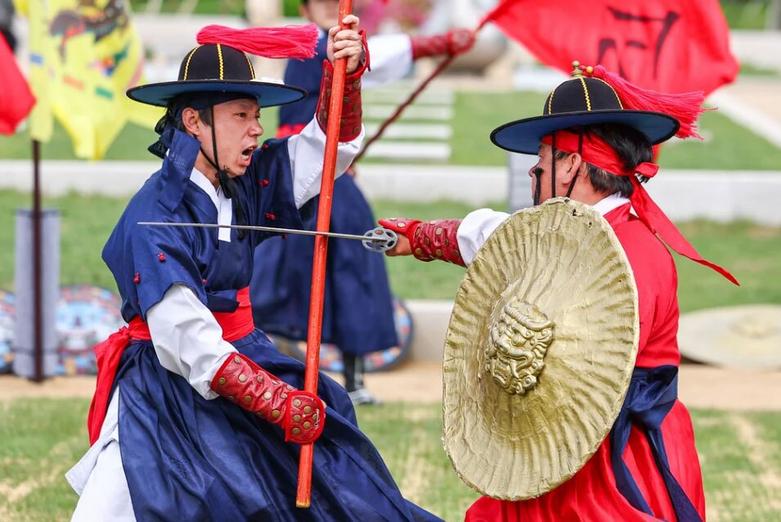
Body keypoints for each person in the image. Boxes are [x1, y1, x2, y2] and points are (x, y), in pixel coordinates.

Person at [66, 17, 439, 521]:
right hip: (166, 392)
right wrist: (277, 402)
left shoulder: (242, 183)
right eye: (241, 114)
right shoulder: (152, 215)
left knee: (340, 489)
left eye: (256, 114)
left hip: (246, 359)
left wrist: (342, 78)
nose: (257, 127)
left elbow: (323, 156)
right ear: (194, 122)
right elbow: (186, 340)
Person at [380, 64, 738, 521]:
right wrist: (419, 236)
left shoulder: (635, 253)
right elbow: (501, 238)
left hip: (618, 458)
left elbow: (593, 357)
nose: (534, 169)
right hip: (553, 438)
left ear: (573, 164)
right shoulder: (563, 232)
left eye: (545, 157)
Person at [252, 0, 474, 404]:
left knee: (352, 274)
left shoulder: (341, 45)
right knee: (288, 275)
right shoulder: (311, 45)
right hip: (299, 179)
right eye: (318, 2)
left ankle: (352, 382)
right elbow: (386, 55)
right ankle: (283, 368)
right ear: (305, 10)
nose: (326, 9)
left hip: (337, 183)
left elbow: (380, 58)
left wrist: (437, 45)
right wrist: (438, 42)